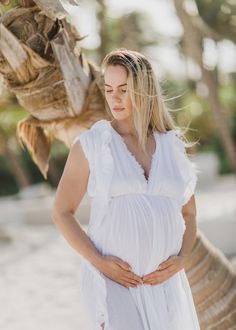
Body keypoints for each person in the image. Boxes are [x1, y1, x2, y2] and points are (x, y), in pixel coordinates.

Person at [52, 48, 200, 330]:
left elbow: (190, 214)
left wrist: (182, 259)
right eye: (108, 89)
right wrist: (99, 261)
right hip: (113, 283)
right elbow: (61, 212)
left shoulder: (172, 146)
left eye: (123, 89)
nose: (114, 98)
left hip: (165, 287)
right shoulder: (94, 144)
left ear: (144, 90)